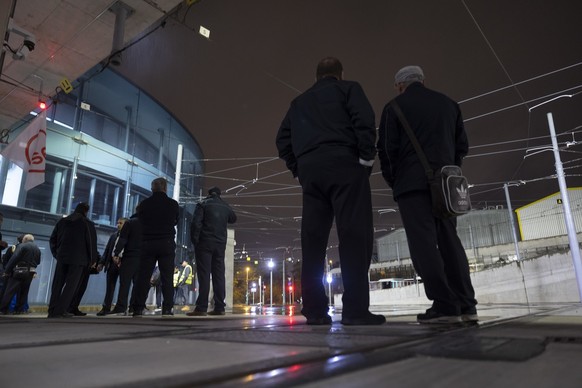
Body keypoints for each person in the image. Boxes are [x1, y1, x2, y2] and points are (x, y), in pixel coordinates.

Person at [275, 57, 385, 326]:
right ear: (340, 74)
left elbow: (282, 140)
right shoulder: (349, 89)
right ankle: (355, 310)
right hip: (346, 164)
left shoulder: (298, 103)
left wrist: (298, 168)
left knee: (312, 241)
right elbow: (365, 121)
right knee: (354, 235)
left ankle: (314, 310)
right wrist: (365, 159)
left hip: (311, 172)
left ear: (316, 77)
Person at [376, 65, 478, 324]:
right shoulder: (449, 104)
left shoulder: (393, 108)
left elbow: (387, 152)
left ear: (400, 85)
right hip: (446, 185)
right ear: (423, 80)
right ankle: (466, 303)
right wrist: (445, 170)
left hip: (412, 187)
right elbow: (462, 146)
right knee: (449, 241)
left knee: (423, 246)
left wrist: (395, 180)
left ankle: (444, 303)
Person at [131, 178, 179, 317]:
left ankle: (138, 307)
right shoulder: (172, 204)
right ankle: (167, 308)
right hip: (166, 242)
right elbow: (176, 220)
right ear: (165, 188)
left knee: (143, 276)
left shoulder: (144, 204)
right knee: (167, 277)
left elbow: (141, 220)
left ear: (152, 189)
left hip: (148, 242)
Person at [187, 187, 236, 316]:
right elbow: (233, 218)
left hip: (205, 243)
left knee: (204, 275)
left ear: (209, 194)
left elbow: (196, 223)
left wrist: (195, 241)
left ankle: (202, 307)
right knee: (219, 275)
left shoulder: (203, 204)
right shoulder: (225, 206)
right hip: (220, 245)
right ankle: (220, 307)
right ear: (219, 195)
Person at [48, 202, 99, 318]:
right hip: (79, 260)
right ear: (86, 211)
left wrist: (57, 254)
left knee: (57, 284)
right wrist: (92, 260)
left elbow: (53, 240)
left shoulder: (62, 222)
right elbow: (91, 243)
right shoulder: (87, 224)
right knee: (71, 286)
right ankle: (61, 310)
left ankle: (52, 310)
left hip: (62, 257)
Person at [107, 211, 142, 315]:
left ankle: (121, 307)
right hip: (142, 259)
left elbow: (123, 239)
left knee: (125, 284)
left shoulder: (130, 223)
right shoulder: (148, 224)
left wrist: (116, 253)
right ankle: (134, 308)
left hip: (129, 257)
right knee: (138, 284)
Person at [0, 234, 41, 314]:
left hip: (19, 271)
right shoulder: (37, 248)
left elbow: (14, 258)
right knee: (24, 292)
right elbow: (38, 262)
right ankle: (19, 310)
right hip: (30, 272)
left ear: (25, 239)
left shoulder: (22, 246)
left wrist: (7, 271)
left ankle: (3, 309)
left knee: (10, 290)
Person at [96, 218, 127, 316]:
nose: (118, 225)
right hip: (112, 264)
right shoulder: (113, 236)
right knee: (110, 287)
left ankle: (122, 307)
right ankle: (106, 308)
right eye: (117, 223)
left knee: (124, 287)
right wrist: (101, 263)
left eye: (121, 223)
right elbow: (107, 250)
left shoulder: (130, 236)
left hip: (124, 264)